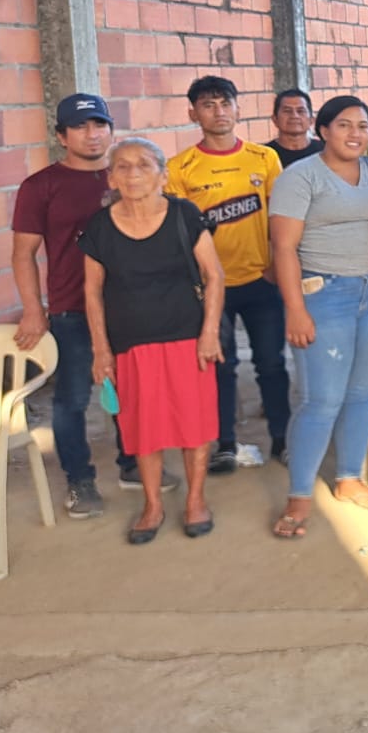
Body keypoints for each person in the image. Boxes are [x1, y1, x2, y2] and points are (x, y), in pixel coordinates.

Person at [12, 94, 160, 517]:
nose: (92, 134)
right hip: (71, 310)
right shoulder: (40, 186)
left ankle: (132, 465)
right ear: (61, 136)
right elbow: (23, 254)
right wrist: (33, 308)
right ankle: (79, 481)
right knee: (73, 399)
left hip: (130, 307)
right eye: (80, 127)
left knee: (131, 392)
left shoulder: (128, 177)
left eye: (99, 125)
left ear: (111, 130)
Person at [268, 95, 368, 538]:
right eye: (344, 125)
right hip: (323, 295)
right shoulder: (300, 176)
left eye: (362, 126)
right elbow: (283, 247)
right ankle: (299, 496)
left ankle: (348, 478)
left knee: (362, 393)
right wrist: (295, 309)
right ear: (322, 130)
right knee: (321, 400)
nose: (355, 134)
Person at [80, 139, 225, 544]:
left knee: (194, 425)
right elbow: (92, 292)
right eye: (122, 167)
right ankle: (153, 505)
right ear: (111, 178)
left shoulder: (184, 214)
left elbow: (214, 275)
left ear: (163, 175)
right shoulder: (100, 227)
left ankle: (195, 500)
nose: (133, 174)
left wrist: (210, 332)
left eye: (144, 165)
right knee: (144, 428)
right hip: (131, 343)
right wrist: (101, 349)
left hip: (188, 338)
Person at [166, 75, 289, 470]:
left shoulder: (264, 159)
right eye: (208, 105)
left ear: (238, 108)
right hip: (210, 287)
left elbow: (280, 219)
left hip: (261, 280)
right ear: (193, 113)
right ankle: (224, 443)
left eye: (225, 103)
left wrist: (276, 265)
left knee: (271, 363)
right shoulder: (180, 167)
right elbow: (180, 233)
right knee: (220, 366)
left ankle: (283, 438)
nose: (218, 112)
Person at [267, 88, 323, 169]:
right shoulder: (264, 155)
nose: (294, 116)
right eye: (287, 111)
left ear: (312, 120)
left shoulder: (326, 152)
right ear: (275, 119)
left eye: (300, 111)